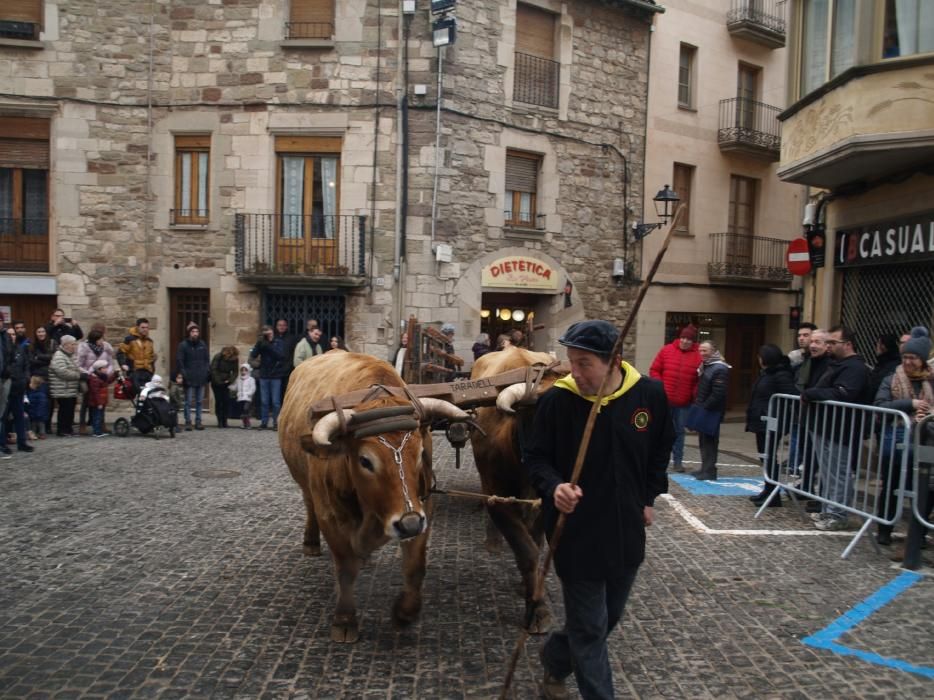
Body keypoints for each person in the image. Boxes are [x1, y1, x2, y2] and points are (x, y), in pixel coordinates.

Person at [524, 320, 673, 700]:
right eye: (572, 362)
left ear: (614, 362)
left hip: (626, 530)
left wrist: (648, 497)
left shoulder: (649, 395)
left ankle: (556, 658)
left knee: (608, 617)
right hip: (576, 532)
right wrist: (554, 486)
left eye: (585, 363)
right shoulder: (558, 401)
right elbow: (535, 457)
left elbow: (660, 449)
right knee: (590, 628)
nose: (576, 371)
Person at [801, 325, 872, 531]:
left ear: (848, 344)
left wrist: (813, 394)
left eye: (833, 342)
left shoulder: (855, 368)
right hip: (826, 426)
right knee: (828, 472)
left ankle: (838, 513)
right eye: (829, 342)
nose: (829, 346)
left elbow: (843, 393)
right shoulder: (837, 364)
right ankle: (828, 509)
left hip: (840, 429)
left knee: (838, 472)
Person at [873, 326, 932, 545]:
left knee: (926, 489)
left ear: (923, 359)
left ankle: (918, 532)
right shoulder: (892, 379)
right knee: (891, 485)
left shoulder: (931, 380)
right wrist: (910, 404)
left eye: (913, 358)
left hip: (926, 440)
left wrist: (927, 417)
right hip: (897, 440)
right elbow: (880, 406)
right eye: (905, 356)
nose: (908, 362)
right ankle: (884, 528)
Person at [747, 345, 797, 507]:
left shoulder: (780, 375)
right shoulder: (767, 373)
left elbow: (792, 395)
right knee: (765, 457)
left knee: (769, 457)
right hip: (762, 421)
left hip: (771, 422)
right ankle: (768, 489)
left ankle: (773, 493)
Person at [649, 324, 701, 473]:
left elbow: (699, 379)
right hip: (664, 400)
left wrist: (694, 394)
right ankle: (657, 460)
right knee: (659, 431)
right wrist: (660, 387)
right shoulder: (666, 350)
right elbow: (655, 370)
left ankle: (678, 462)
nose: (685, 341)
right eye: (683, 338)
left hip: (683, 403)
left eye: (689, 339)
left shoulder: (698, 356)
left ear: (693, 342)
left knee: (679, 432)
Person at [689, 341, 730, 481]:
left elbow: (718, 393)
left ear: (713, 351)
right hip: (705, 408)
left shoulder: (719, 368)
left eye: (705, 350)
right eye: (700, 350)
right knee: (704, 441)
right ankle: (705, 468)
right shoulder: (707, 366)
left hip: (712, 410)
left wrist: (704, 407)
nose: (702, 353)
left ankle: (710, 470)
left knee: (710, 442)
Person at [76, 326, 115, 435]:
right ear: (95, 339)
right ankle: (82, 425)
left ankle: (101, 424)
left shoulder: (106, 348)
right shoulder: (84, 348)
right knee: (86, 402)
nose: (103, 341)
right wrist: (89, 373)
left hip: (102, 378)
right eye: (100, 339)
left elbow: (110, 362)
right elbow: (78, 365)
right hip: (88, 378)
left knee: (101, 401)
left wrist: (107, 373)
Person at [249, 324, 288, 430]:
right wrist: (259, 344)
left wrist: (268, 346)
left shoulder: (278, 342)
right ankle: (264, 422)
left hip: (275, 374)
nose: (267, 333)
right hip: (264, 374)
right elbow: (253, 355)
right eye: (265, 331)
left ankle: (276, 422)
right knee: (264, 401)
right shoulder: (262, 342)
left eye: (268, 330)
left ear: (272, 331)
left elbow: (280, 356)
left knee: (276, 402)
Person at [175, 323, 210, 431]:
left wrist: (206, 371)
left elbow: (206, 359)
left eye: (197, 332)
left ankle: (198, 421)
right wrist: (184, 373)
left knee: (199, 401)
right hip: (189, 376)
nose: (195, 334)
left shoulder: (202, 345)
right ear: (189, 333)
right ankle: (188, 421)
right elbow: (180, 360)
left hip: (200, 376)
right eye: (193, 332)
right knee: (188, 401)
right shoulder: (183, 345)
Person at [7, 321, 33, 452]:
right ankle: (3, 444)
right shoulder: (3, 351)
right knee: (4, 416)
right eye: (9, 334)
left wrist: (25, 379)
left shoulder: (20, 348)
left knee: (20, 415)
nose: (12, 336)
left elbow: (26, 365)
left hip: (19, 386)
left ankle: (22, 442)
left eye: (13, 334)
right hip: (5, 387)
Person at [49, 335, 82, 437]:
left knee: (70, 410)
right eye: (73, 344)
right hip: (62, 388)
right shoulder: (59, 355)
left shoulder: (69, 355)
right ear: (66, 345)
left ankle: (68, 429)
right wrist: (79, 376)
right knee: (64, 410)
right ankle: (62, 430)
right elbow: (63, 372)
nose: (74, 346)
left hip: (69, 388)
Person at [117, 318, 157, 392]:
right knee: (140, 392)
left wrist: (152, 368)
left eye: (147, 327)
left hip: (148, 372)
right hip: (135, 372)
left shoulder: (150, 341)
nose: (145, 329)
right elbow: (120, 352)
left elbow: (151, 357)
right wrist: (123, 364)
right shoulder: (130, 339)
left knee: (150, 393)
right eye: (143, 327)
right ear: (137, 327)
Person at [209, 346, 239, 429]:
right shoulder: (218, 356)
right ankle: (219, 421)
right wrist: (219, 381)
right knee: (219, 401)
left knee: (226, 401)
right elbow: (213, 369)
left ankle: (225, 420)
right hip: (216, 382)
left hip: (226, 382)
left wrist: (230, 380)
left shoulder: (235, 359)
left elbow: (235, 372)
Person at [868, 333, 901, 400]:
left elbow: (875, 385)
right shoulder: (885, 362)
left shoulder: (888, 365)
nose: (876, 348)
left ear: (883, 346)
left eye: (877, 344)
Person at [86, 359, 114, 437]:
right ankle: (96, 431)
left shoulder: (103, 377)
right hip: (97, 402)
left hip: (102, 400)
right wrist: (99, 403)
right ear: (99, 369)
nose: (106, 369)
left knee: (100, 416)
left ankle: (99, 430)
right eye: (104, 368)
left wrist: (115, 374)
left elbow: (109, 381)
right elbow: (95, 393)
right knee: (97, 416)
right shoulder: (94, 379)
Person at [232, 363, 257, 429]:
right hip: (240, 398)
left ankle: (248, 423)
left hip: (247, 398)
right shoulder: (238, 379)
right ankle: (244, 423)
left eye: (245, 370)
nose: (243, 372)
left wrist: (249, 394)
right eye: (242, 370)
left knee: (246, 409)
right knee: (242, 411)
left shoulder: (251, 379)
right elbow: (235, 387)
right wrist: (230, 387)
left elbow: (253, 388)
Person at [25, 376, 49, 441]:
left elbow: (42, 405)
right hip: (32, 411)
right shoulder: (30, 392)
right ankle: (33, 434)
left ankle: (42, 434)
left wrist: (39, 413)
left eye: (30, 383)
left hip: (38, 413)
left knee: (41, 424)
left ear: (35, 385)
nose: (29, 384)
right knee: (33, 424)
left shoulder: (40, 394)